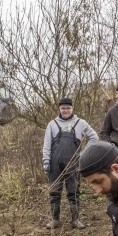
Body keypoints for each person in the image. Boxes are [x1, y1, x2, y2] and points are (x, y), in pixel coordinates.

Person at [42, 97, 98, 229]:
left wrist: (83, 153)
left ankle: (75, 219)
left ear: (72, 108)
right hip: (54, 164)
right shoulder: (52, 124)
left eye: (68, 108)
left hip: (73, 163)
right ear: (59, 109)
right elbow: (46, 145)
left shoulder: (80, 123)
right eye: (63, 108)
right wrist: (45, 161)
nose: (65, 110)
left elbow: (94, 137)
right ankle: (55, 219)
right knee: (54, 192)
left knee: (73, 191)